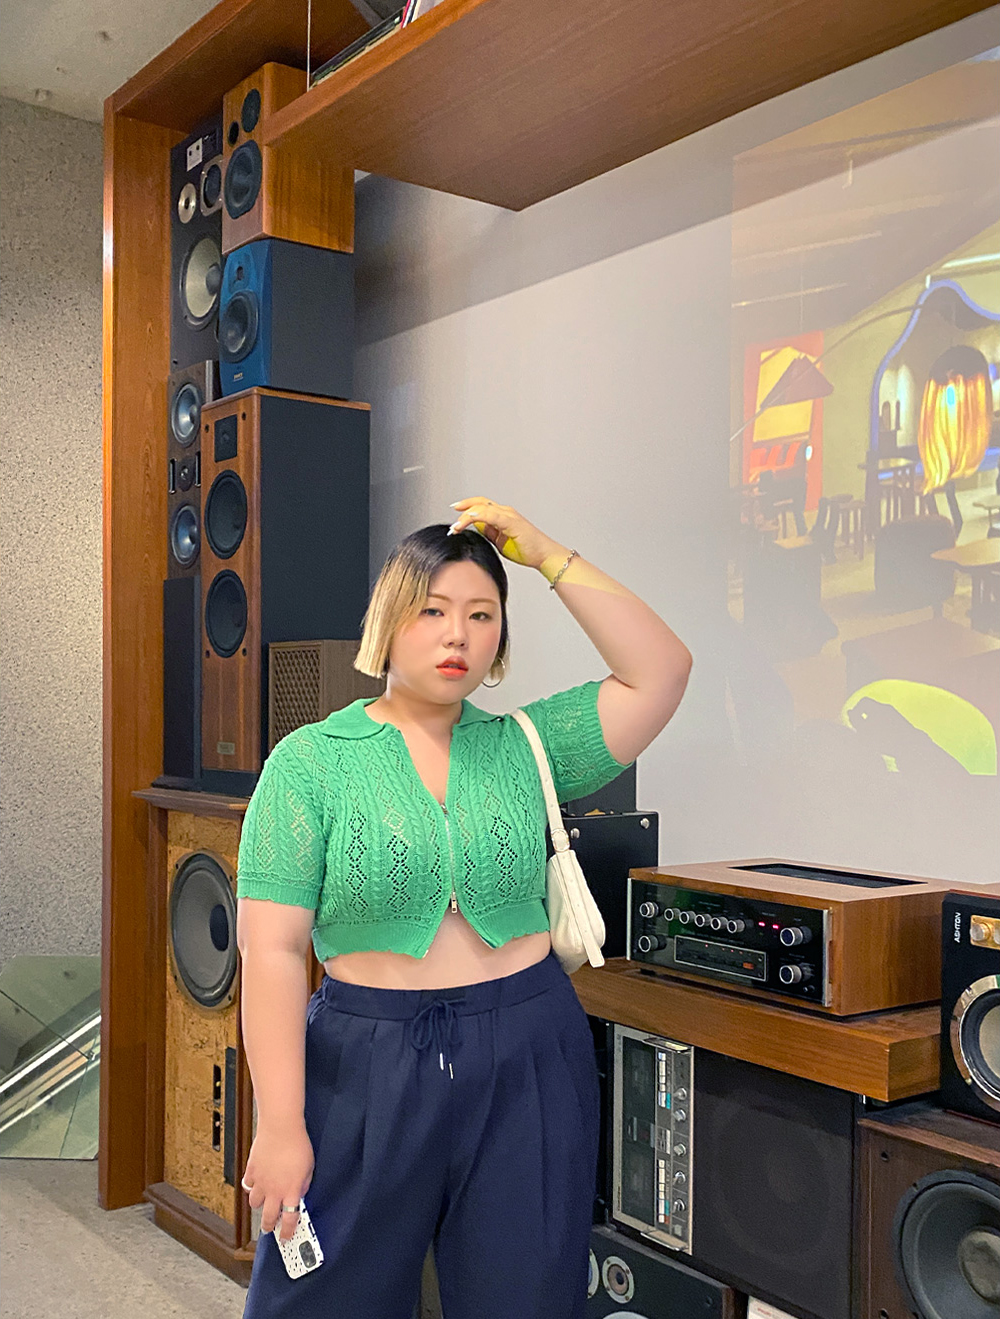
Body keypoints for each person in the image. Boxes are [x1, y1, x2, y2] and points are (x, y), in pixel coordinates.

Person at [236, 497, 692, 1319]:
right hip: (364, 1059)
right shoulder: (308, 764)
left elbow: (662, 669)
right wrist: (280, 1123)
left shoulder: (527, 744)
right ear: (389, 620)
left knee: (525, 1297)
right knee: (322, 1299)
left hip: (528, 1050)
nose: (459, 635)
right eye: (433, 611)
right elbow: (270, 950)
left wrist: (545, 553)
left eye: (482, 615)